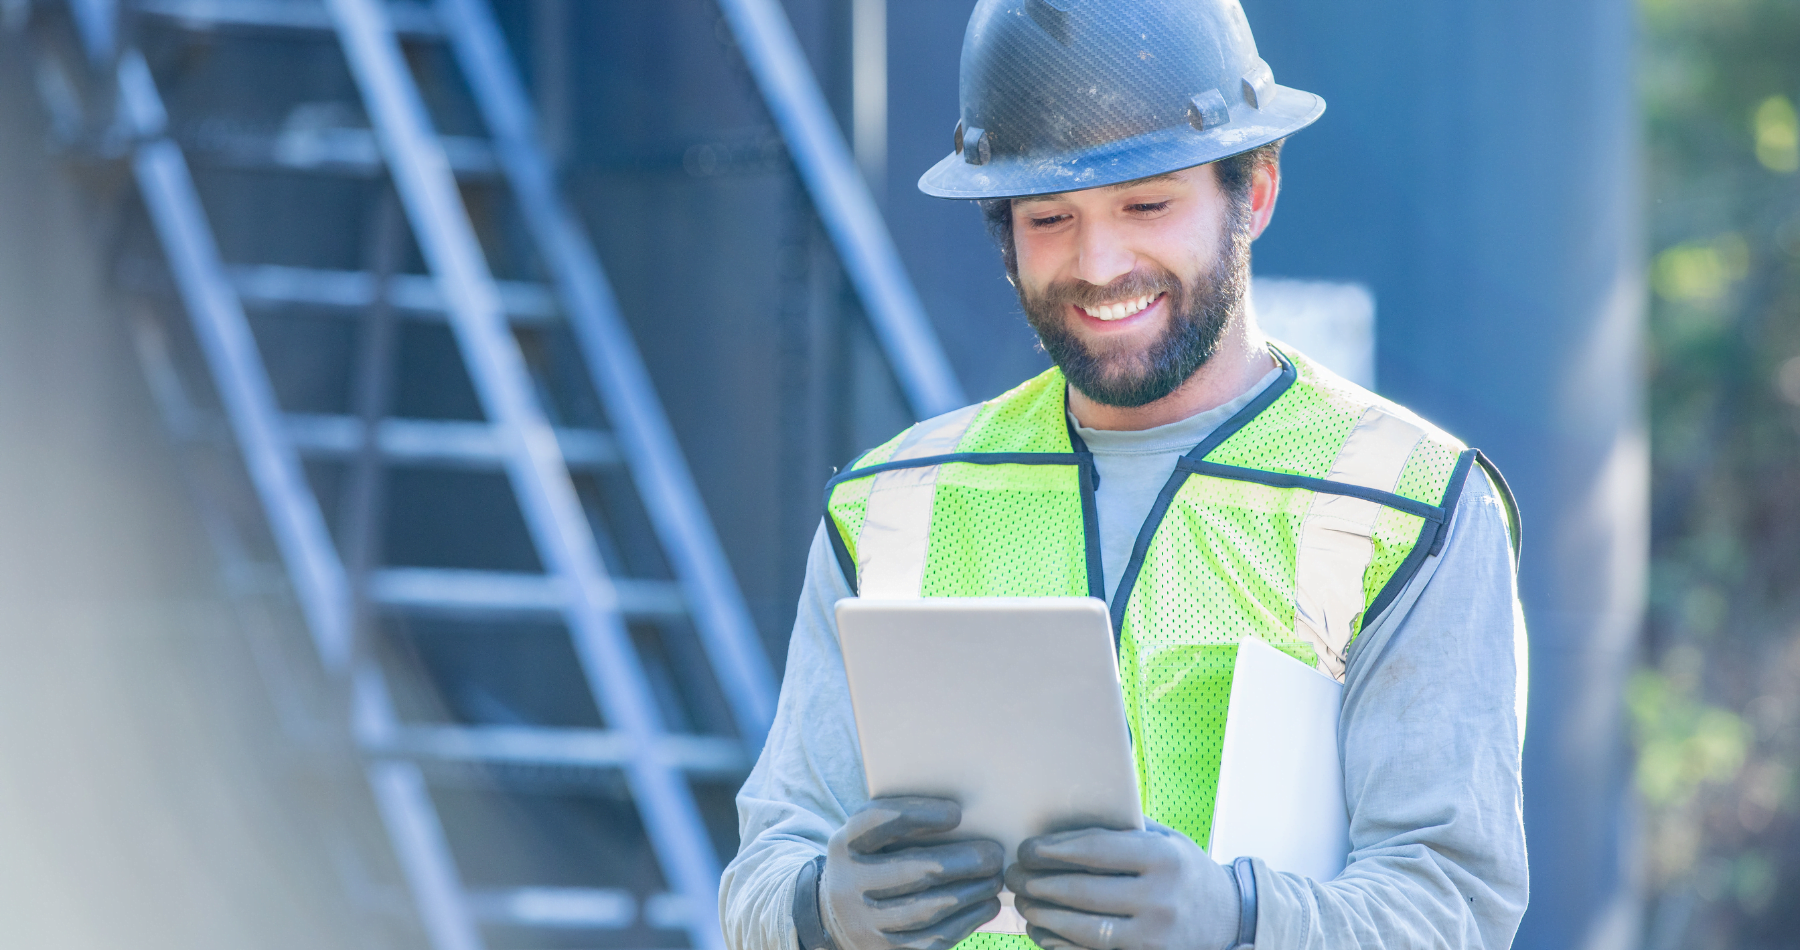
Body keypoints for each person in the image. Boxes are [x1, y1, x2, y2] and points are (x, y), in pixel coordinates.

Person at [721, 2, 1529, 949]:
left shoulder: (1410, 504)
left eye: (1148, 205)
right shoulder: (892, 505)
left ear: (1254, 192)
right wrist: (815, 910)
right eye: (1051, 218)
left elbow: (1451, 906)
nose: (1100, 263)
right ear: (1003, 229)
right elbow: (761, 874)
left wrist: (1238, 920)